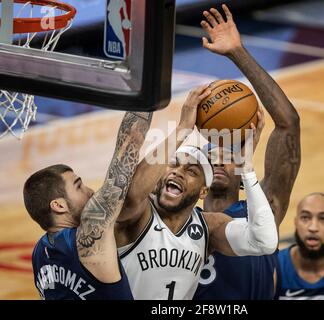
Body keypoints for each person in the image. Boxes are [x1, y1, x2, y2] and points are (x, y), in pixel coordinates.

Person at [115, 85, 278, 299]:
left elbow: (264, 242)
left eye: (191, 170)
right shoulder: (139, 214)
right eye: (173, 164)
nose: (178, 172)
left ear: (203, 191)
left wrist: (246, 168)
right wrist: (183, 128)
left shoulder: (208, 227)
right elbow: (131, 195)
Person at [193, 4, 301, 300]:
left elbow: (288, 125)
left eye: (226, 156)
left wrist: (237, 53)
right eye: (209, 155)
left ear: (241, 172)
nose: (216, 159)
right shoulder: (181, 221)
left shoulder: (263, 209)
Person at [24, 111, 152, 299]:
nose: (90, 191)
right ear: (59, 205)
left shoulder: (39, 253)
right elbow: (129, 146)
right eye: (78, 186)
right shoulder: (89, 239)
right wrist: (146, 98)